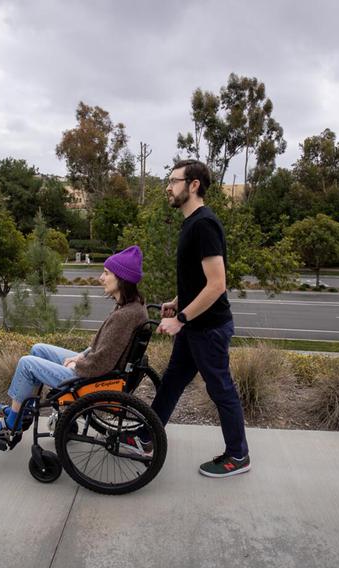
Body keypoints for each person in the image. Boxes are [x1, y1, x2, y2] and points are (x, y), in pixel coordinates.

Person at [122, 159, 250, 477]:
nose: (168, 186)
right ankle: (147, 438)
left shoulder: (204, 224)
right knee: (172, 382)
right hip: (195, 326)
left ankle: (238, 456)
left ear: (193, 185)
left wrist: (181, 317)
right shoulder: (191, 223)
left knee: (221, 389)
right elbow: (199, 279)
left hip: (208, 329)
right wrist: (177, 302)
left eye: (174, 181)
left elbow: (218, 284)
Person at [0, 245, 147, 439]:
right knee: (38, 349)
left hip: (92, 378)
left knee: (26, 363)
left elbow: (103, 360)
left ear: (122, 278)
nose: (101, 278)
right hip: (97, 369)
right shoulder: (132, 307)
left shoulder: (124, 316)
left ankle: (12, 424)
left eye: (106, 273)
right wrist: (80, 355)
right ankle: (24, 411)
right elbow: (105, 347)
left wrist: (78, 363)